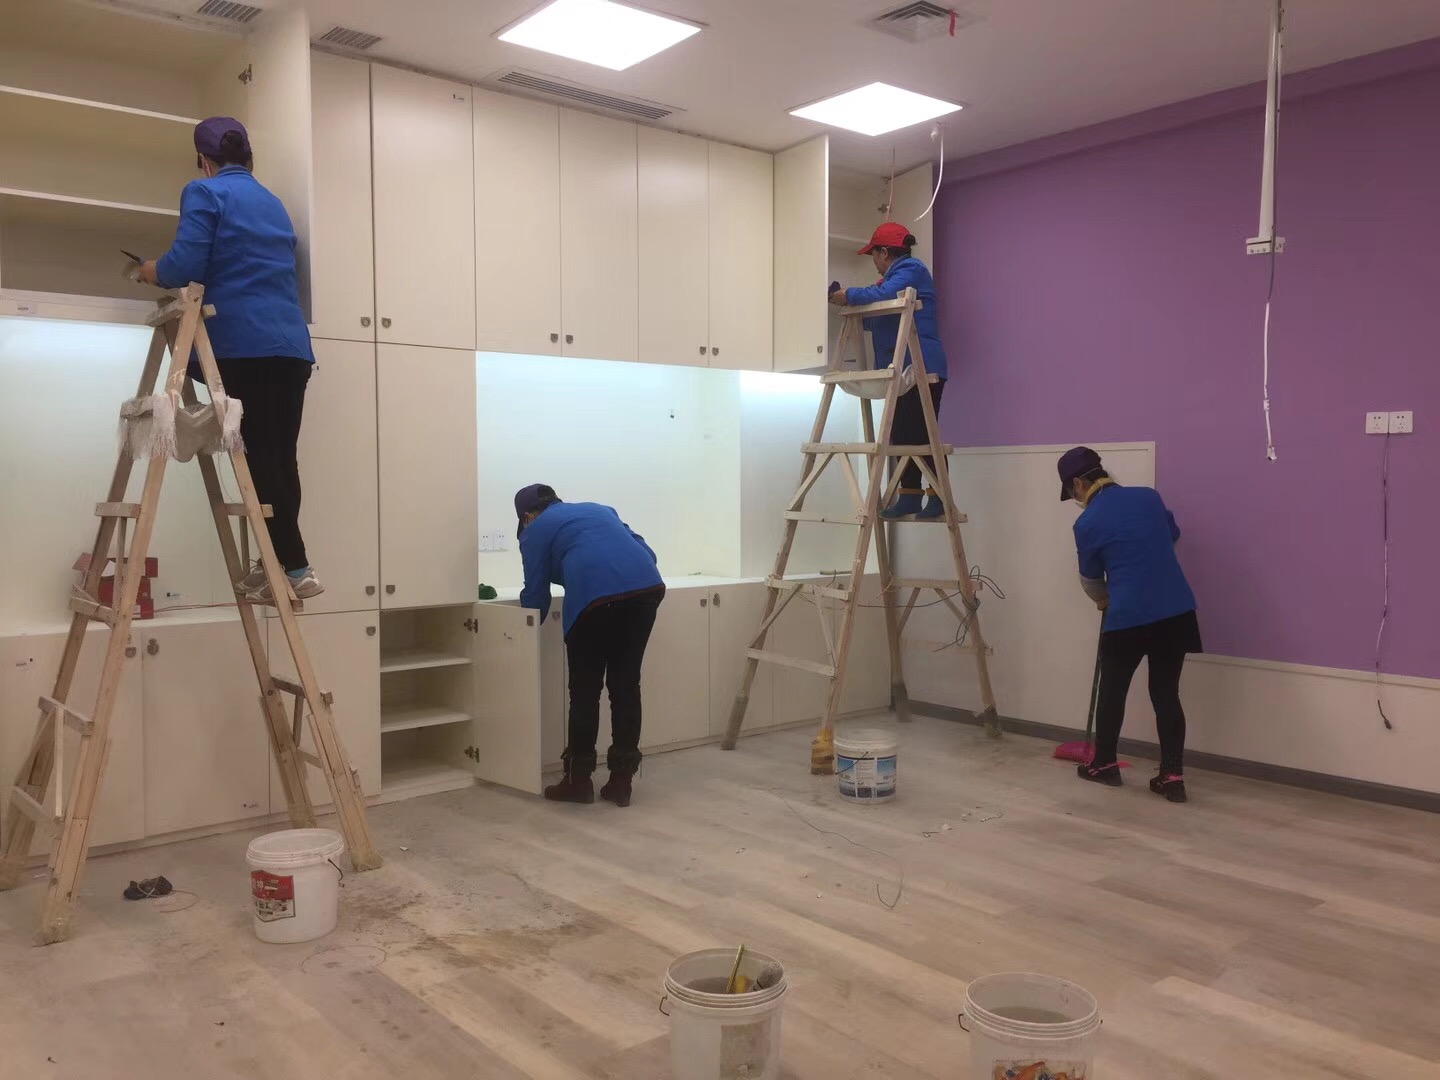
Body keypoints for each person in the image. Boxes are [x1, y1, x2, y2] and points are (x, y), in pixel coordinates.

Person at [136, 117, 319, 602]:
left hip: (242, 346)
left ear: (204, 160)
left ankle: (296, 568)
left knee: (260, 457)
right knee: (279, 457)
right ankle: (284, 564)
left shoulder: (204, 191)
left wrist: (150, 270)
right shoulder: (272, 202)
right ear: (249, 157)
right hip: (290, 347)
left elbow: (184, 265)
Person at [1058, 447, 1200, 803]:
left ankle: (1104, 764)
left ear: (1079, 484)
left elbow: (1090, 580)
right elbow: (1172, 534)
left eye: (1071, 491)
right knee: (1166, 692)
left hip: (1129, 616)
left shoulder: (1086, 523)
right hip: (1176, 610)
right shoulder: (1149, 497)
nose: (1075, 498)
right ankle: (1172, 776)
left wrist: (1103, 600)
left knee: (1113, 690)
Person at [515, 485, 665, 807]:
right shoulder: (600, 509)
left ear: (526, 517)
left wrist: (516, 638)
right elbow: (648, 554)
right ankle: (621, 782)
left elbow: (536, 596)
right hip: (646, 590)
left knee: (585, 692)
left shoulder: (534, 530)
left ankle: (578, 782)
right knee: (625, 686)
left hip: (594, 602)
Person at [829, 221, 949, 520]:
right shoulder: (890, 281)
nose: (874, 261)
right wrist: (849, 303)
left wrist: (850, 294)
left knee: (922, 434)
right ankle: (909, 495)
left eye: (874, 254)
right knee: (901, 433)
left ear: (884, 252)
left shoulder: (911, 269)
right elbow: (878, 317)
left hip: (921, 365)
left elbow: (884, 295)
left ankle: (938, 497)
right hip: (902, 368)